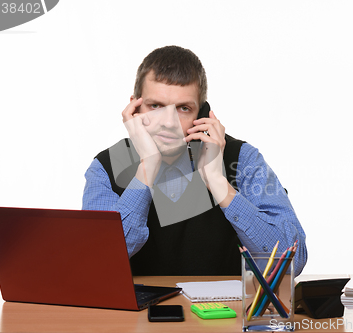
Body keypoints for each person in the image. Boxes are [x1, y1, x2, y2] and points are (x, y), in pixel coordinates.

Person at [82, 46, 307, 276]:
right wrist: (148, 166)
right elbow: (97, 262)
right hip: (137, 312)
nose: (167, 122)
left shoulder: (242, 160)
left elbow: (292, 262)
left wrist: (218, 182)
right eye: (155, 106)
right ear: (135, 109)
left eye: (183, 108)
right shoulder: (105, 168)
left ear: (201, 114)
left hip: (225, 311)